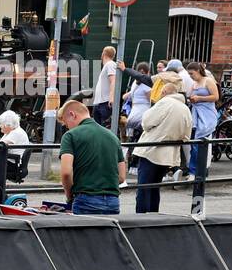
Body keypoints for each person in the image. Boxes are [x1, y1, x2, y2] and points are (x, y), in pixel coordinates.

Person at [58, 99, 126, 215]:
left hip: (85, 199)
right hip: (113, 201)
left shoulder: (70, 136)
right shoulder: (112, 137)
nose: (67, 128)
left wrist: (69, 197)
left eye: (66, 123)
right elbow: (121, 176)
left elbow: (66, 173)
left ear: (72, 114)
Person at [133, 79, 191, 214]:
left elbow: (146, 122)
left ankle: (141, 218)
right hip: (169, 155)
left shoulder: (165, 102)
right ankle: (154, 217)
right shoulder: (185, 108)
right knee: (155, 187)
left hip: (151, 151)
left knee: (143, 188)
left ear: (164, 92)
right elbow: (186, 136)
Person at [187, 62, 220, 178]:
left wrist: (199, 98)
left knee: (200, 143)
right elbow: (190, 95)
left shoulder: (208, 81)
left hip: (207, 114)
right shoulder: (194, 83)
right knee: (194, 144)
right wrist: (191, 99)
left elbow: (216, 97)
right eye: (189, 74)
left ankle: (197, 171)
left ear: (198, 71)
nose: (190, 76)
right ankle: (194, 171)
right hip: (195, 114)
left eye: (192, 73)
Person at [91, 45, 118, 128]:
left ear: (103, 54)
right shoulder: (108, 66)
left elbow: (113, 80)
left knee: (104, 127)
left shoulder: (110, 64)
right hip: (100, 103)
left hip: (104, 103)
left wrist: (111, 97)